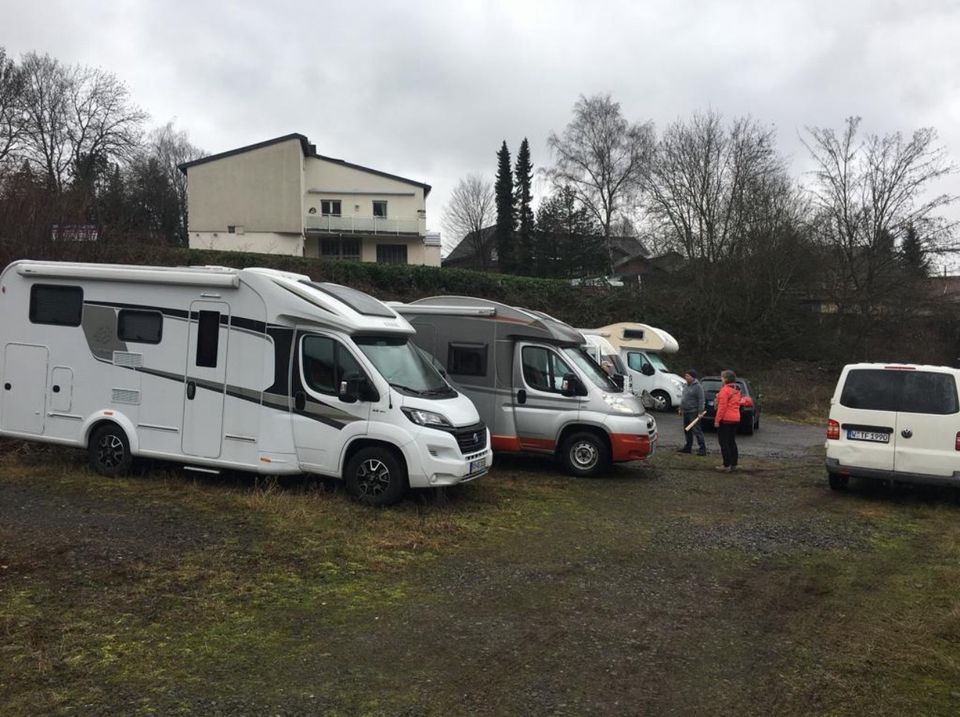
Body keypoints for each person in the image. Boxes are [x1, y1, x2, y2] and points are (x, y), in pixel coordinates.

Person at [714, 369, 742, 472]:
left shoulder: (725, 390)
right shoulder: (737, 389)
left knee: (724, 442)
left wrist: (717, 420)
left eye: (722, 377)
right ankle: (734, 464)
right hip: (735, 418)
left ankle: (726, 465)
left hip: (726, 419)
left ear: (726, 379)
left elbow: (722, 407)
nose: (721, 379)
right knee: (731, 442)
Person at [676, 369, 706, 455]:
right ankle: (688, 447)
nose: (686, 377)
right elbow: (683, 398)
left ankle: (702, 449)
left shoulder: (698, 387)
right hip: (686, 411)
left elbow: (701, 399)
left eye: (688, 376)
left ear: (692, 377)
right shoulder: (686, 385)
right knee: (687, 430)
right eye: (685, 376)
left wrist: (700, 412)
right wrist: (680, 408)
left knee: (697, 430)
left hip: (694, 412)